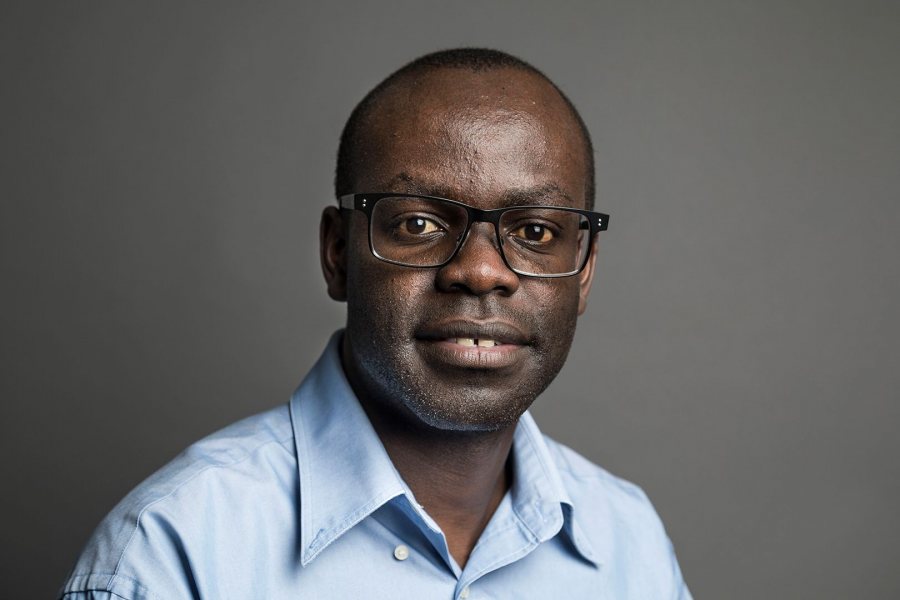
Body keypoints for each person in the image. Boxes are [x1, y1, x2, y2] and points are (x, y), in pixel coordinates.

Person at [59, 48, 692, 599]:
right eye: (418, 223)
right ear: (338, 255)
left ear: (582, 272)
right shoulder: (173, 554)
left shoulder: (628, 543)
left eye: (534, 231)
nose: (479, 271)